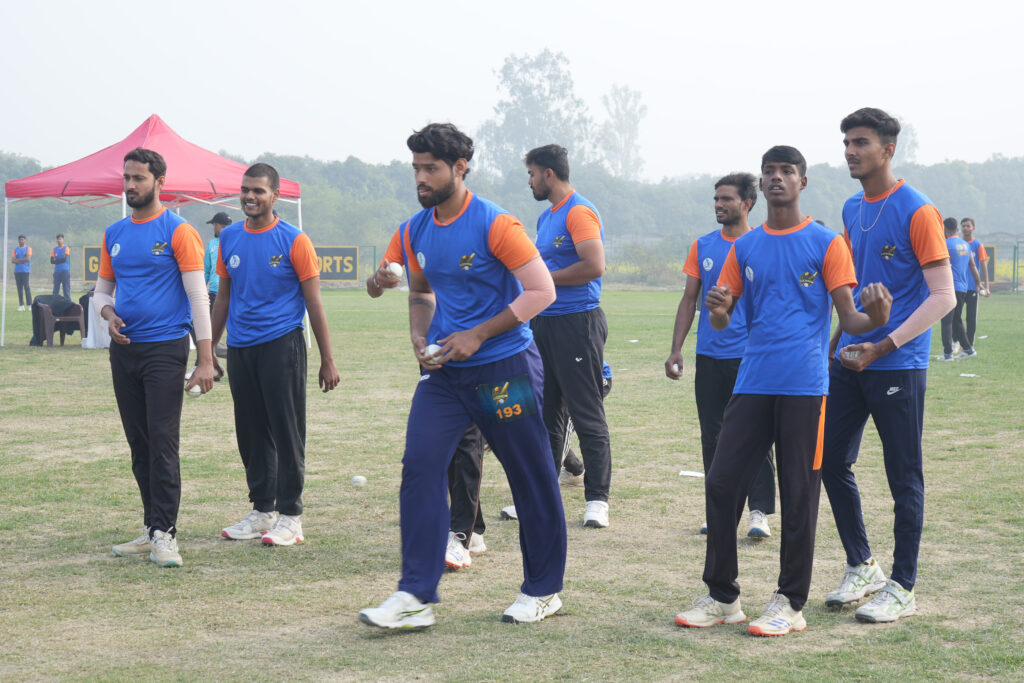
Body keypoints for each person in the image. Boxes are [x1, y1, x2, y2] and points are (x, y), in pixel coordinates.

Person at [675, 145, 891, 637]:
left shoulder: (826, 242)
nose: (776, 178)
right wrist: (718, 310)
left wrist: (876, 318)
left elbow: (850, 316)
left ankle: (790, 602)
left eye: (786, 171)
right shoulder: (745, 247)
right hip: (752, 381)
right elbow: (721, 317)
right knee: (721, 483)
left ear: (801, 182)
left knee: (798, 495)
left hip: (804, 388)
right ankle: (722, 597)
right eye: (769, 171)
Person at [359, 123, 565, 630]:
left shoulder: (496, 223)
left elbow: (541, 291)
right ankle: (415, 595)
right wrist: (417, 333)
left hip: (503, 368)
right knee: (420, 466)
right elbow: (419, 292)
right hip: (445, 374)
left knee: (530, 475)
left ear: (459, 168)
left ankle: (542, 590)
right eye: (416, 168)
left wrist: (478, 334)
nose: (421, 178)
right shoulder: (413, 230)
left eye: (430, 168)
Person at [821, 107, 955, 624]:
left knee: (903, 474)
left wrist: (885, 345)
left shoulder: (918, 210)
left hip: (898, 364)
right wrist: (836, 343)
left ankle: (903, 585)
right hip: (850, 360)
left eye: (860, 142)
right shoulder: (852, 207)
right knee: (829, 460)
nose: (850, 152)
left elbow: (943, 296)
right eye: (846, 143)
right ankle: (863, 565)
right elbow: (851, 287)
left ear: (888, 150)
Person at [96, 147, 216, 568]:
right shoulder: (114, 233)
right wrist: (109, 315)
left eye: (139, 178)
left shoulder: (178, 231)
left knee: (163, 440)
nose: (130, 185)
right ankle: (152, 528)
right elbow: (102, 292)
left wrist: (205, 359)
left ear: (159, 182)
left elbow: (198, 297)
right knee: (139, 442)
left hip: (166, 349)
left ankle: (166, 534)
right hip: (124, 352)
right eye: (127, 178)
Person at [213, 163, 340, 547]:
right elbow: (223, 298)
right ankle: (262, 511)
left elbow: (314, 304)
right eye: (245, 190)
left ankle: (291, 517)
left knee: (286, 431)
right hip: (240, 348)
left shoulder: (294, 240)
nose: (250, 197)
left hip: (282, 344)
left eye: (258, 191)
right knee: (251, 432)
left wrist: (327, 359)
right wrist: (208, 351)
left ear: (275, 195)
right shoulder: (229, 237)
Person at [367, 230, 488, 569]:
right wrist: (378, 280)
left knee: (472, 440)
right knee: (445, 441)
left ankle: (463, 534)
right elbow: (375, 288)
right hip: (433, 349)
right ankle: (469, 530)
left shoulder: (479, 225)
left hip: (478, 346)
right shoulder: (411, 232)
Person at [665, 173, 776, 538]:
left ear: (747, 203)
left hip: (752, 357)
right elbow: (689, 300)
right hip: (710, 356)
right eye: (716, 199)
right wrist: (676, 348)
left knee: (757, 434)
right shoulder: (703, 245)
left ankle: (758, 512)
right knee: (713, 436)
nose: (718, 204)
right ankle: (719, 510)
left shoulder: (762, 244)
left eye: (726, 199)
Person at [523, 143, 612, 528]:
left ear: (548, 174)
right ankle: (542, 497)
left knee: (586, 412)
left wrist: (542, 278)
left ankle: (597, 500)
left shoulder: (578, 211)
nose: (530, 182)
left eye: (531, 174)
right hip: (545, 323)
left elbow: (594, 265)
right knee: (546, 415)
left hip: (578, 323)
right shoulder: (546, 218)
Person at [938, 217, 981, 361]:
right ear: (957, 228)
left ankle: (948, 354)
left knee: (947, 321)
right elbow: (973, 266)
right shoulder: (966, 245)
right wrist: (978, 283)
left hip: (950, 287)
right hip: (963, 288)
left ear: (945, 229)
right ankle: (969, 350)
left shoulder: (945, 244)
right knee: (956, 320)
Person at [960, 217, 990, 348]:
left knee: (971, 318)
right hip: (959, 287)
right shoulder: (958, 244)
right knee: (955, 317)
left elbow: (983, 266)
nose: (965, 228)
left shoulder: (978, 245)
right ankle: (957, 341)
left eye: (968, 226)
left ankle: (969, 344)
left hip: (973, 287)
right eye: (963, 226)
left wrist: (986, 287)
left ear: (973, 228)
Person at [11, 234, 32, 311]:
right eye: (20, 239)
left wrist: (18, 260)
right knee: (19, 288)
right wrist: (22, 260)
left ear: (25, 240)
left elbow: (28, 259)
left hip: (25, 271)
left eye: (22, 239)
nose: (21, 241)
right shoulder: (15, 250)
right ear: (18, 241)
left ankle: (30, 305)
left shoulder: (28, 248)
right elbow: (13, 260)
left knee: (26, 287)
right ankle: (21, 305)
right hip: (17, 271)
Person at [51, 233, 71, 298]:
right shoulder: (54, 249)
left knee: (66, 289)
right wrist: (59, 260)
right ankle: (54, 303)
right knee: (55, 290)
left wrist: (56, 260)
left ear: (63, 240)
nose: (59, 240)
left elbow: (64, 259)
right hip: (57, 271)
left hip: (65, 271)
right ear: (56, 240)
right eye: (58, 239)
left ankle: (68, 303)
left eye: (60, 239)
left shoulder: (66, 248)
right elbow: (51, 261)